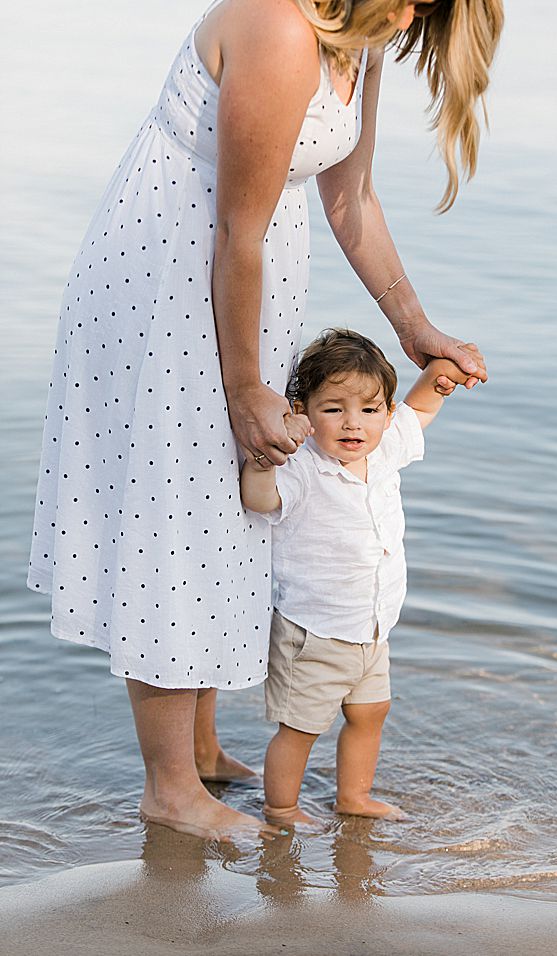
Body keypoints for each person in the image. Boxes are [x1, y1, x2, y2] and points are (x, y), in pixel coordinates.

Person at [27, 0, 502, 840]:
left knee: (227, 514)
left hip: (242, 274)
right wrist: (247, 386)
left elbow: (350, 194)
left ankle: (202, 750)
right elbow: (235, 230)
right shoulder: (281, 28)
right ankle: (169, 789)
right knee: (181, 520)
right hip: (171, 277)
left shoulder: (365, 39)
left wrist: (414, 328)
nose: (411, 16)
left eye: (429, 7)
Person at [239, 328, 471, 826]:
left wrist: (445, 374)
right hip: (315, 630)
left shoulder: (386, 450)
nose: (353, 423)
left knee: (371, 714)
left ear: (387, 413)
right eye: (333, 408)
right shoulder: (302, 468)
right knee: (299, 729)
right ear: (301, 411)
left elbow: (423, 407)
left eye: (369, 410)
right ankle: (281, 807)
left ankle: (354, 797)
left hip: (373, 625)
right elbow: (259, 501)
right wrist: (263, 459)